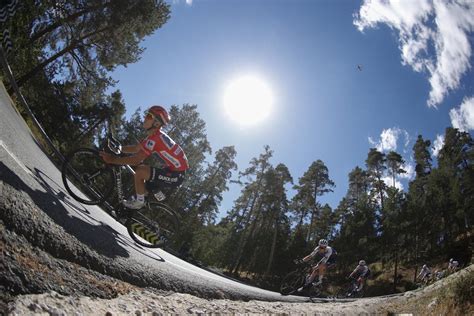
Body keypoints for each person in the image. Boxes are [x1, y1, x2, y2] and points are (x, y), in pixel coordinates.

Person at [100, 105, 189, 209]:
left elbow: (136, 160)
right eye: (147, 115)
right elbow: (137, 148)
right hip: (172, 170)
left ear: (156, 123)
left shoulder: (155, 139)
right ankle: (142, 198)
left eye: (149, 116)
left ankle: (139, 202)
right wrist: (119, 148)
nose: (145, 118)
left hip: (177, 175)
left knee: (141, 171)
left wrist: (112, 159)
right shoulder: (154, 136)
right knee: (143, 175)